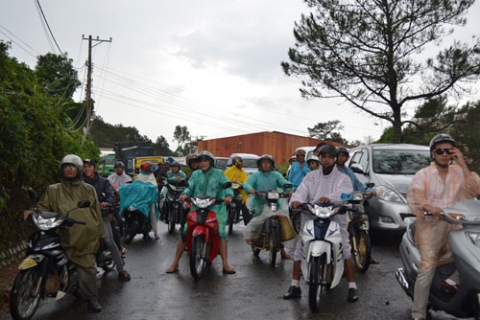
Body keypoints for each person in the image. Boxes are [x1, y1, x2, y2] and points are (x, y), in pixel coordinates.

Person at [407, 134, 480, 320]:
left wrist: (462, 162)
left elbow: (475, 189)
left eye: (449, 151)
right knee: (427, 268)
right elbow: (415, 198)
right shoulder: (423, 174)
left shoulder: (458, 172)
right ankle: (418, 313)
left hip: (456, 225)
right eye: (440, 151)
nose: (445, 154)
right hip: (431, 226)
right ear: (433, 153)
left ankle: (450, 283)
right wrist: (428, 207)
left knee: (470, 259)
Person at [23, 154, 104, 312]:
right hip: (60, 232)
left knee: (87, 267)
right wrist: (33, 211)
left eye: (72, 166)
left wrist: (100, 235)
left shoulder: (88, 189)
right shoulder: (53, 189)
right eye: (66, 166)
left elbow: (97, 212)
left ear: (79, 170)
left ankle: (91, 298)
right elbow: (44, 206)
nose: (69, 168)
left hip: (84, 235)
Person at [284, 145, 359, 303]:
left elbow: (346, 193)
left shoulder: (343, 178)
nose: (326, 160)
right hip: (311, 215)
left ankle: (352, 287)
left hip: (335, 217)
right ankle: (294, 285)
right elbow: (302, 190)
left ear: (334, 159)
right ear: (319, 158)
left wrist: (330, 197)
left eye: (330, 157)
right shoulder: (311, 176)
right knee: (300, 246)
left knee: (345, 247)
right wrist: (297, 200)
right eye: (323, 157)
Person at [166, 150, 236, 274]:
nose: (203, 163)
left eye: (205, 161)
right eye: (201, 161)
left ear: (210, 162)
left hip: (216, 207)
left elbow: (227, 186)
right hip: (198, 206)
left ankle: (225, 264)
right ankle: (175, 263)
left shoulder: (219, 174)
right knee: (185, 231)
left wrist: (229, 196)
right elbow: (190, 187)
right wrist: (185, 194)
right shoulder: (196, 174)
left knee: (221, 232)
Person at [82, 159, 131, 281]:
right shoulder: (80, 183)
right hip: (83, 216)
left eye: (89, 166)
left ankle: (120, 268)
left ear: (94, 167)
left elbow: (110, 196)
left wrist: (107, 204)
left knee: (109, 240)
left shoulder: (104, 181)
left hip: (100, 215)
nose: (87, 169)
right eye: (84, 167)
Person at [243, 154, 293, 259]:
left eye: (268, 163)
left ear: (271, 164)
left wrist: (289, 189)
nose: (266, 165)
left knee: (281, 222)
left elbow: (283, 182)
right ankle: (252, 236)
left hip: (274, 201)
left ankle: (282, 250)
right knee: (258, 218)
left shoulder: (276, 175)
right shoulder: (255, 175)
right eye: (263, 163)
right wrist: (252, 190)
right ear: (260, 165)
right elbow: (247, 184)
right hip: (259, 202)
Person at [336, 147, 379, 264]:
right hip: (337, 204)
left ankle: (365, 253)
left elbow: (358, 185)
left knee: (363, 222)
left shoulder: (349, 171)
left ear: (347, 158)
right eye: (339, 155)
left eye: (344, 156)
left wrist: (368, 192)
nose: (341, 158)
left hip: (352, 202)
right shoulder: (332, 170)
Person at [223, 156, 252, 225]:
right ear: (236, 163)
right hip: (228, 191)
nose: (242, 165)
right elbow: (223, 179)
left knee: (243, 205)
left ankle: (248, 223)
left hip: (239, 191)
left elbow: (247, 181)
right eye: (240, 163)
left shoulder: (243, 172)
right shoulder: (229, 171)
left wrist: (245, 185)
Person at [135, 161, 160, 240]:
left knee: (152, 212)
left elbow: (155, 186)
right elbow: (135, 187)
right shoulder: (139, 176)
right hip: (141, 199)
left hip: (150, 199)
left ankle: (155, 232)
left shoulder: (151, 175)